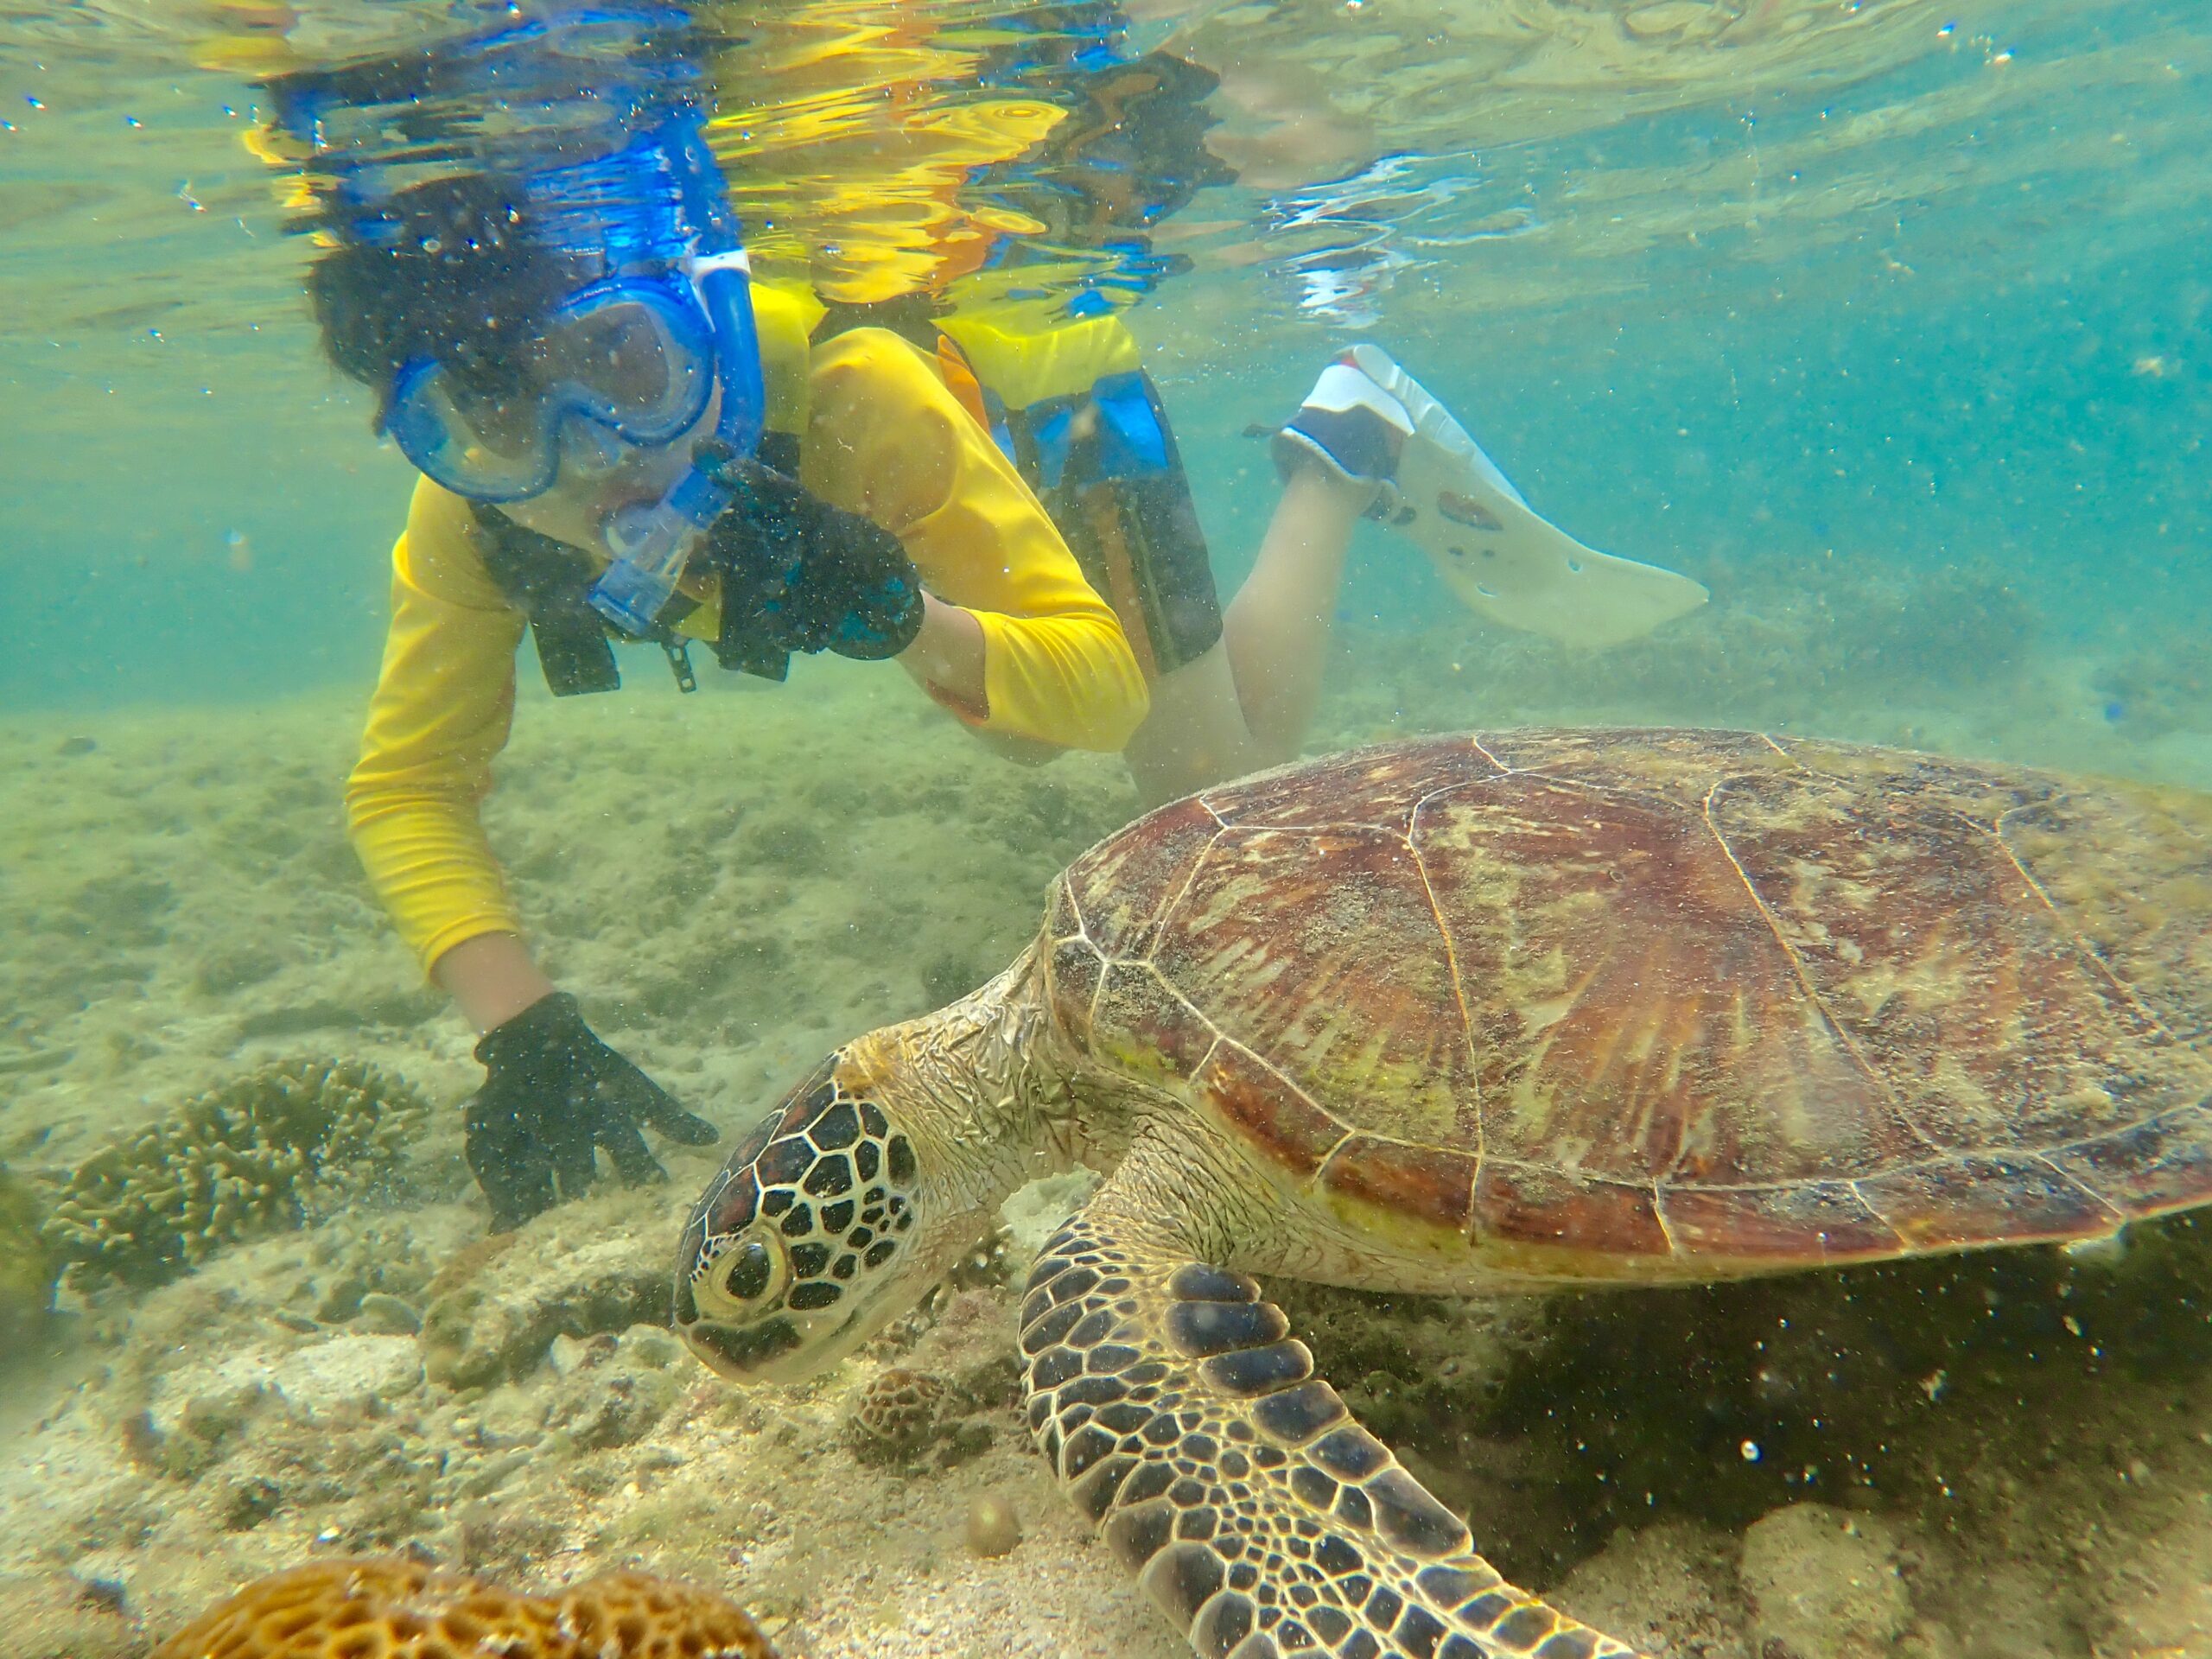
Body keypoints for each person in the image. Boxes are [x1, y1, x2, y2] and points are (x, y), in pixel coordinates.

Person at [268, 4, 1702, 1232]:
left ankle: (1342, 445)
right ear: (427, 436)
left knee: (1208, 769)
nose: (593, 455)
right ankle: (1278, 478)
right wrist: (519, 1025)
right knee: (1014, 738)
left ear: (688, 316)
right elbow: (408, 783)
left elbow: (1097, 685)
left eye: (621, 364)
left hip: (1047, 397)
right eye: (494, 418)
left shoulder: (854, 401)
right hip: (939, 525)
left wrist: (900, 614)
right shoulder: (474, 530)